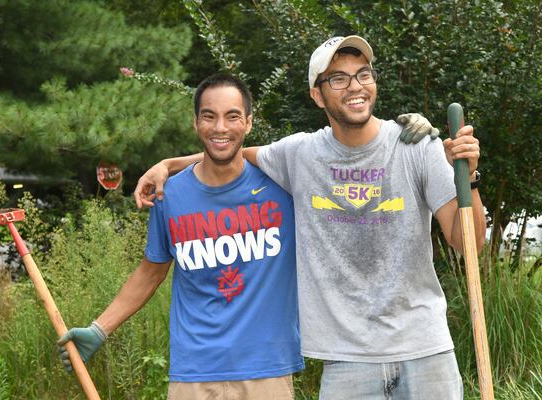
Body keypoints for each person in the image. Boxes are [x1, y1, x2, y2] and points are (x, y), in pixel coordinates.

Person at [134, 35, 486, 399]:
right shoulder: (299, 154)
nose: (355, 86)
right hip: (345, 360)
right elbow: (229, 149)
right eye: (338, 78)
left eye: (363, 74)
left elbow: (469, 243)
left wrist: (470, 178)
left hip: (425, 349)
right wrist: (168, 165)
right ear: (317, 95)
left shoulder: (418, 146)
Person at [58, 74, 304, 400]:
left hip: (266, 370)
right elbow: (151, 271)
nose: (220, 127)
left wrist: (169, 162)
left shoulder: (282, 186)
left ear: (248, 122)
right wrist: (99, 329)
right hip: (194, 373)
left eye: (232, 116)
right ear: (195, 123)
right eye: (209, 116)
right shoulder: (170, 194)